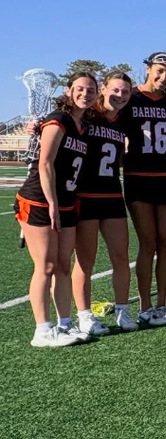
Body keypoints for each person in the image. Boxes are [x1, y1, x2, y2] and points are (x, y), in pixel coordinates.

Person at [15, 72, 95, 346]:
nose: (85, 93)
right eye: (80, 88)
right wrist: (51, 203)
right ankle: (42, 330)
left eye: (91, 90)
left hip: (67, 201)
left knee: (63, 264)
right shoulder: (59, 119)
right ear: (69, 90)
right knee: (46, 265)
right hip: (40, 199)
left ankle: (64, 323)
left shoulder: (83, 126)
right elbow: (45, 162)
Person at [72, 71, 137, 336]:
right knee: (85, 261)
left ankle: (123, 309)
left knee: (121, 256)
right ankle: (84, 315)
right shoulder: (87, 114)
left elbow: (119, 157)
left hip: (111, 195)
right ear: (103, 88)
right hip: (85, 196)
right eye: (116, 90)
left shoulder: (124, 121)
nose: (120, 96)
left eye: (125, 92)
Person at [122, 52, 166, 326]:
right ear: (147, 69)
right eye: (159, 71)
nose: (163, 77)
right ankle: (145, 305)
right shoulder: (130, 97)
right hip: (139, 177)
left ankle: (161, 305)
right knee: (147, 243)